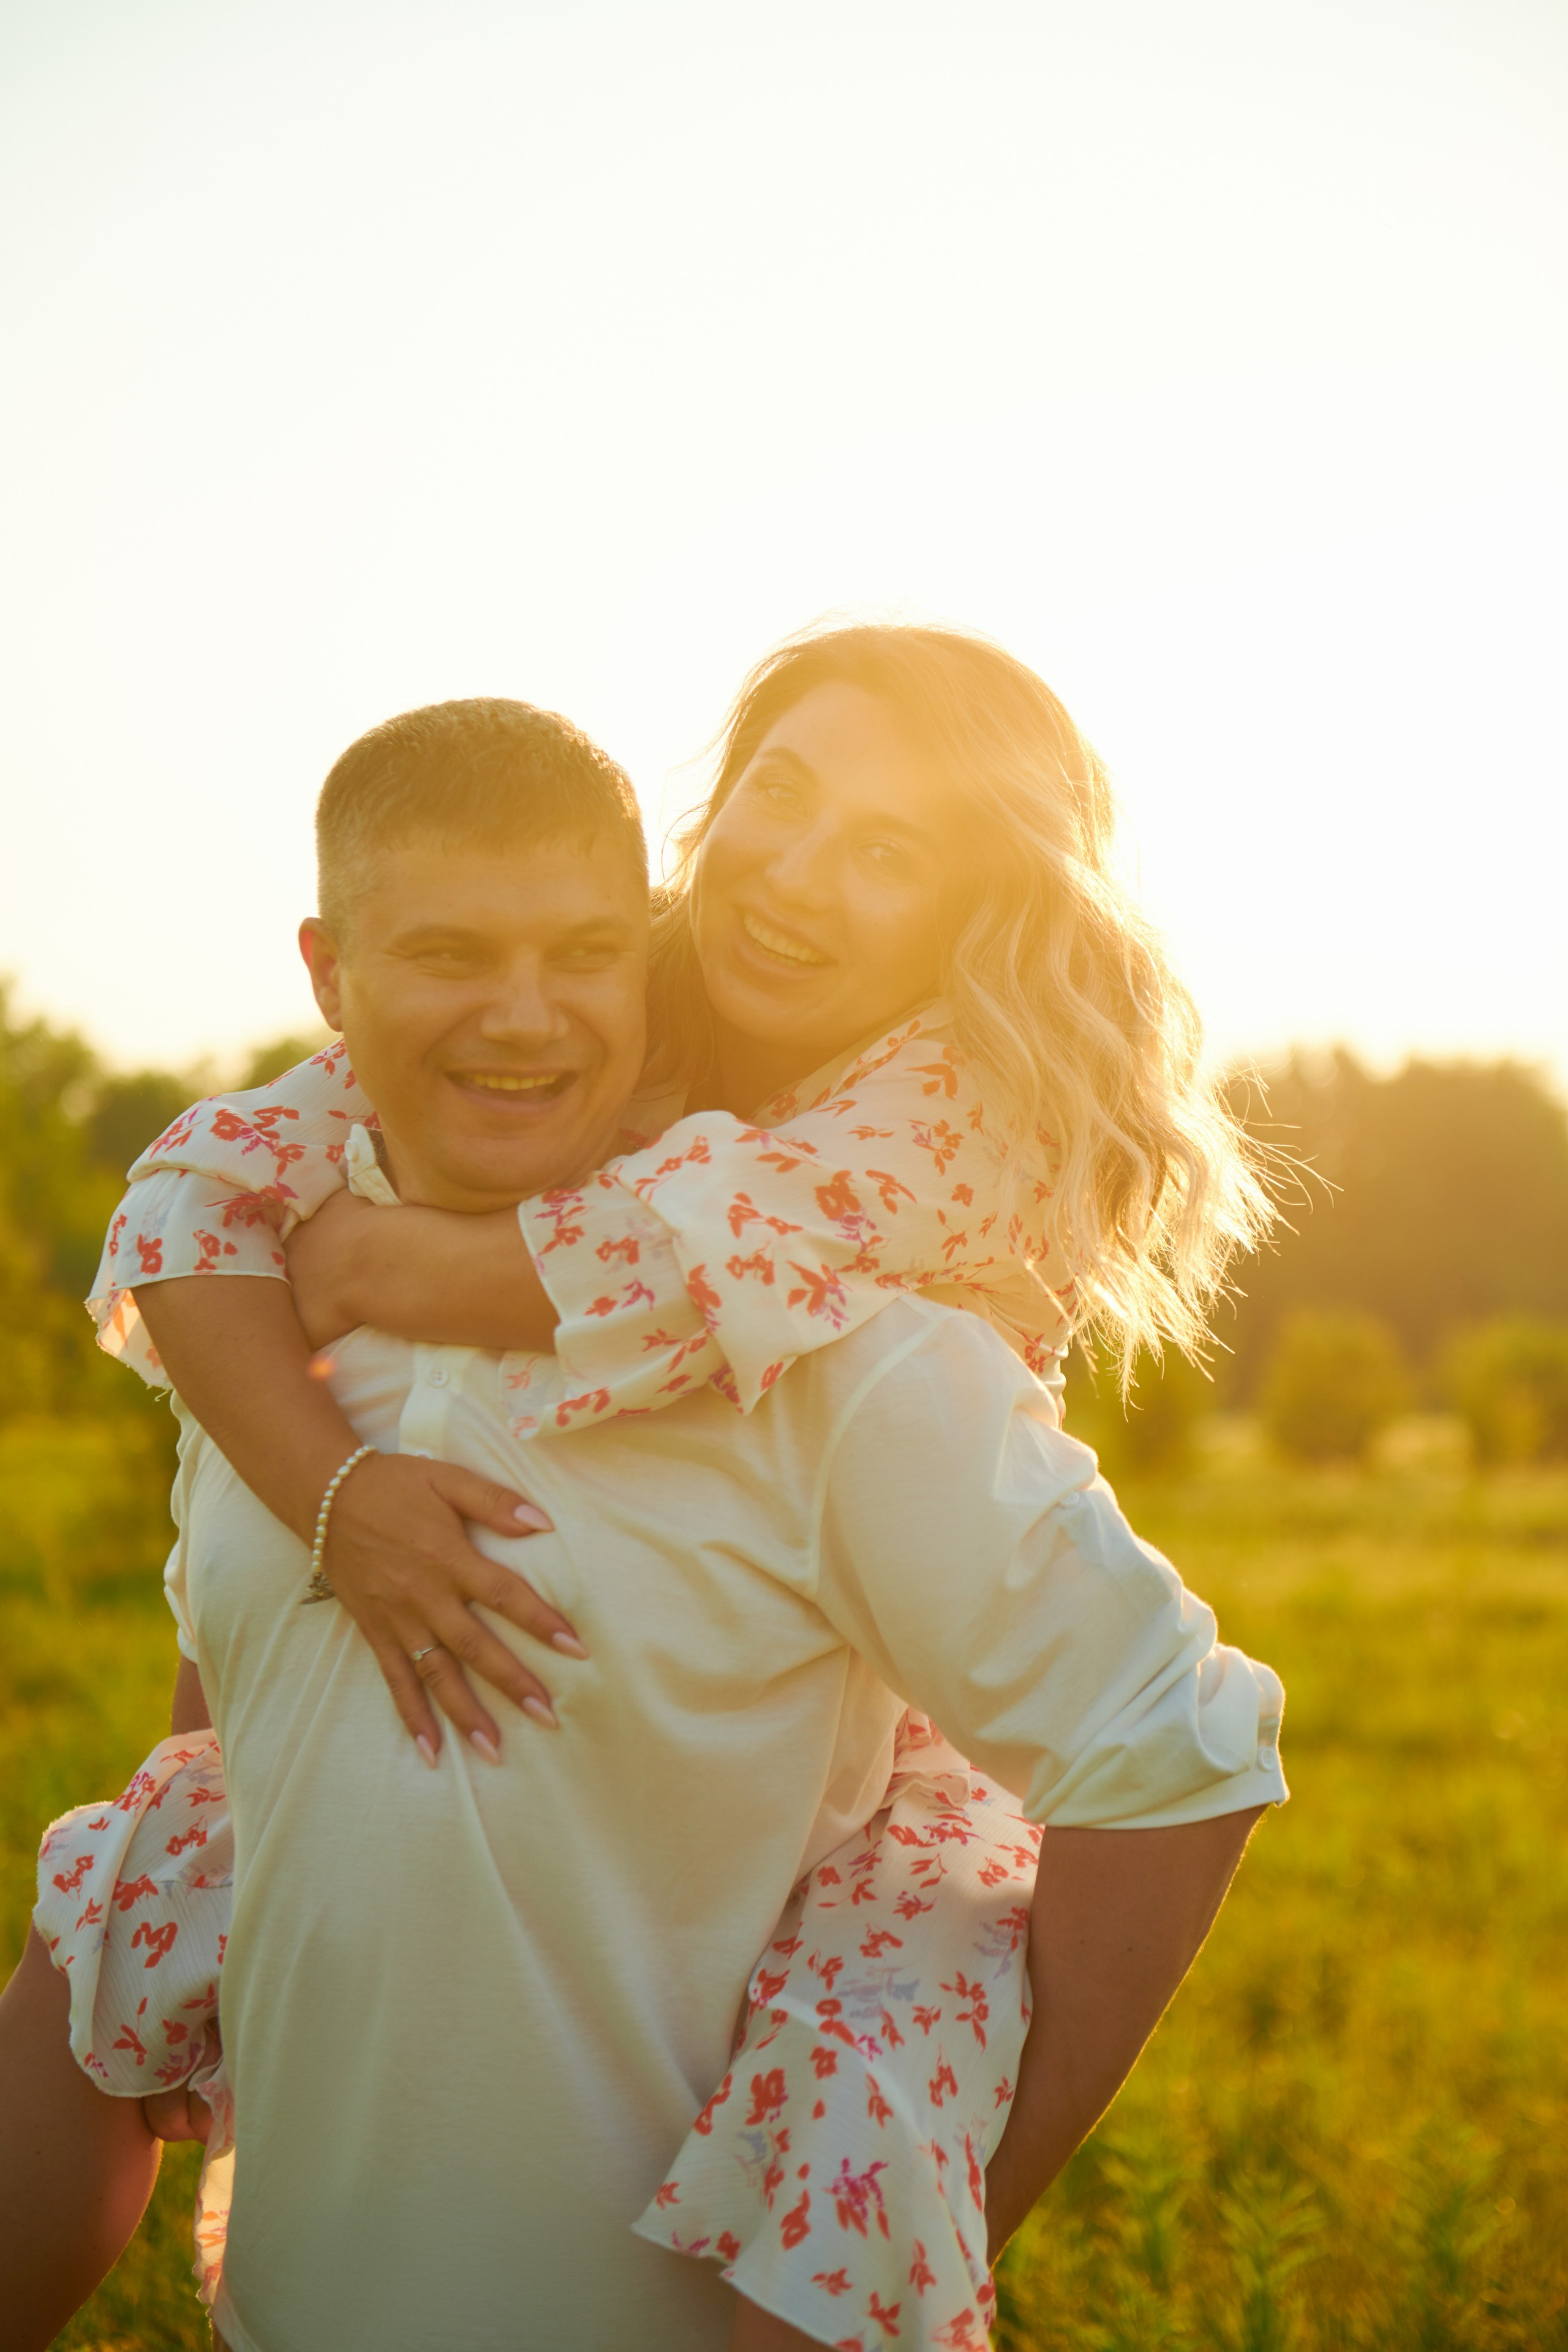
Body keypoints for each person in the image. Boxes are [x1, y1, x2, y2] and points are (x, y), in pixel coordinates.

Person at [1, 655, 1281, 2351]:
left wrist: (906, 2227)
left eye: (895, 850)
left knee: (870, 2052)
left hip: (782, 2024)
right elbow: (240, 1665)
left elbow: (1172, 1750)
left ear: (968, 922)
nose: (805, 870)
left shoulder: (871, 1297)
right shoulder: (373, 1177)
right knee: (153, 1846)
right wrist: (328, 1486)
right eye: (785, 795)